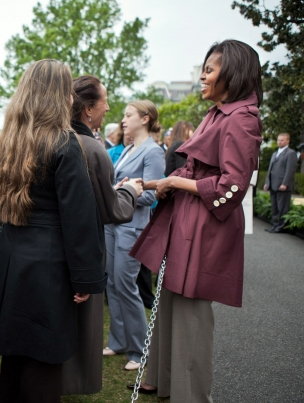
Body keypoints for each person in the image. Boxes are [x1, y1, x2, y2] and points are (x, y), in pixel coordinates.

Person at [131, 40, 263, 402]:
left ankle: (189, 395)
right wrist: (162, 183)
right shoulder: (217, 113)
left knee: (190, 313)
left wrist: (174, 181)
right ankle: (161, 381)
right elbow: (196, 169)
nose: (202, 76)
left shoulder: (242, 118)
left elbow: (233, 186)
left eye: (209, 70)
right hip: (187, 220)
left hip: (206, 227)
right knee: (170, 301)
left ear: (232, 73)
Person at [0, 59, 106, 403]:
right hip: (49, 267)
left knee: (17, 356)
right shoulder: (64, 143)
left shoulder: (9, 138)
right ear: (56, 95)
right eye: (67, 90)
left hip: (13, 258)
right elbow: (79, 220)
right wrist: (85, 279)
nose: (70, 98)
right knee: (43, 359)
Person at [62, 75, 143, 395]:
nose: (108, 107)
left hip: (56, 250)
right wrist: (130, 191)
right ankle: (73, 383)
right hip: (85, 249)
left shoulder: (57, 139)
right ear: (88, 109)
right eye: (104, 101)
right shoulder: (91, 148)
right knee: (82, 326)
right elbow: (112, 209)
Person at [102, 100, 165, 371]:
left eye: (129, 115)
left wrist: (122, 190)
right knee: (112, 284)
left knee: (127, 286)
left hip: (132, 226)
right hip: (113, 223)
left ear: (146, 118)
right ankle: (118, 341)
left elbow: (151, 194)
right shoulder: (128, 148)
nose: (123, 119)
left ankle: (139, 351)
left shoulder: (153, 152)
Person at [264, 133, 297, 233]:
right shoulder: (275, 153)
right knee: (274, 206)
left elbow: (290, 170)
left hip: (283, 185)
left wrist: (285, 183)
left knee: (282, 207)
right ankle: (274, 225)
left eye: (282, 140)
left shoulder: (291, 153)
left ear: (288, 141)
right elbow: (270, 169)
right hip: (273, 184)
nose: (279, 142)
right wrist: (267, 182)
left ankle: (280, 227)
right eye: (278, 140)